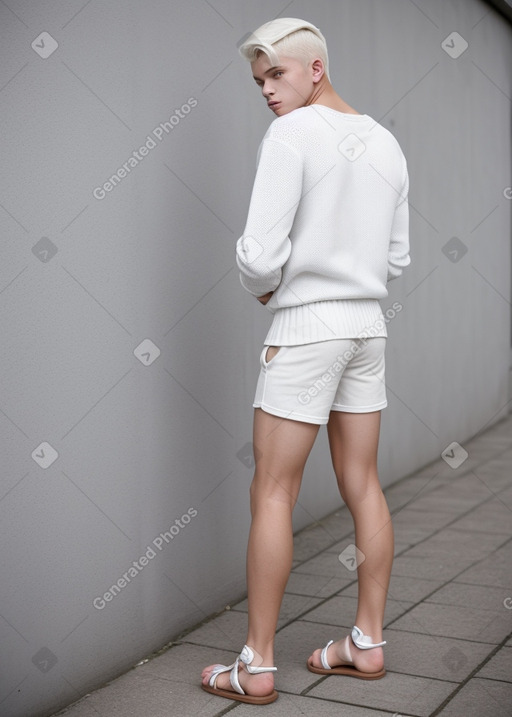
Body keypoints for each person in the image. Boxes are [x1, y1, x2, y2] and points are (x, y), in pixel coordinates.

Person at [201, 17, 410, 705]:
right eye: (259, 80)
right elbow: (398, 257)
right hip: (367, 327)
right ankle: (367, 642)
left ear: (314, 69)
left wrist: (268, 286)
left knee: (272, 490)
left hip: (307, 327)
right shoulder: (386, 141)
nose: (266, 90)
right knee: (363, 481)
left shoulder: (291, 134)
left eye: (277, 75)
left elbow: (259, 253)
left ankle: (256, 663)